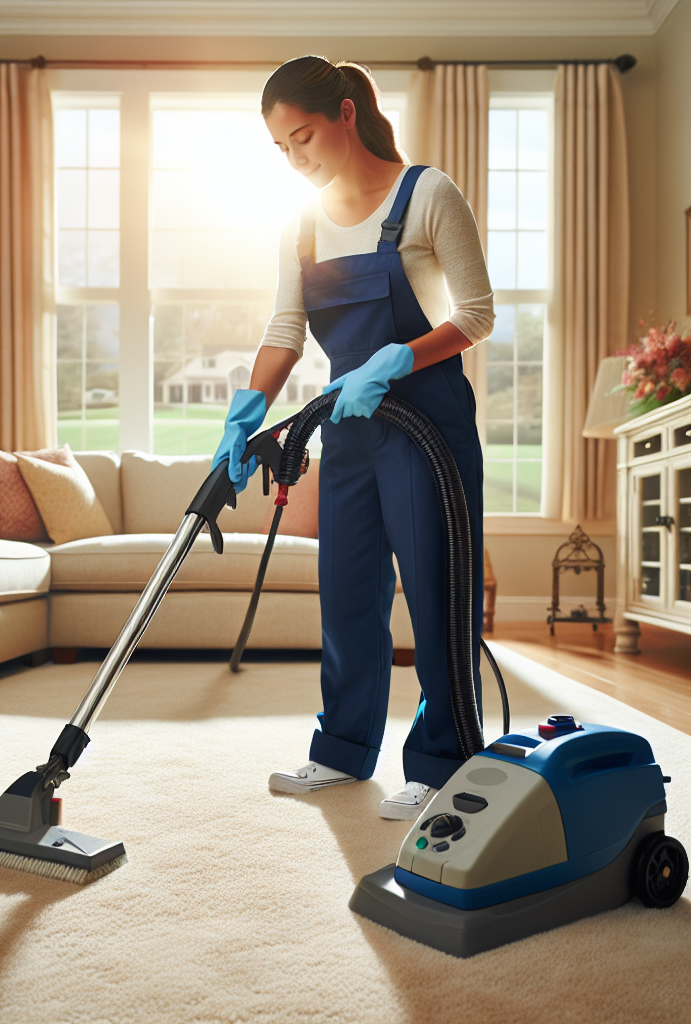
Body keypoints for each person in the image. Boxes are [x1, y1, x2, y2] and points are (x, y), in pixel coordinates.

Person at [213, 56, 493, 820]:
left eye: (303, 137)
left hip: (426, 421)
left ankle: (443, 758)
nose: (297, 160)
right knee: (347, 591)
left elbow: (475, 313)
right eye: (282, 150)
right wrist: (247, 407)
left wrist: (401, 356)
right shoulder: (299, 221)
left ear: (344, 113)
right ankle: (342, 749)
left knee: (436, 592)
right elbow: (286, 327)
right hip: (346, 427)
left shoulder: (427, 194)